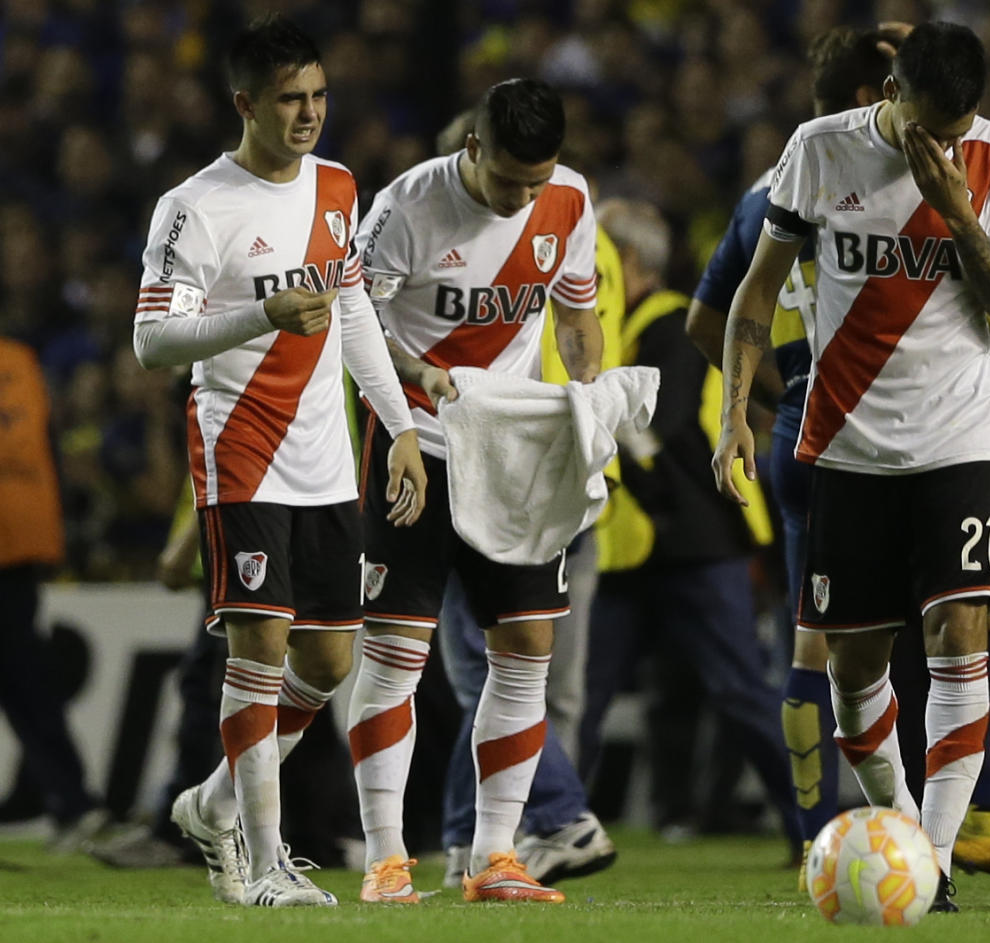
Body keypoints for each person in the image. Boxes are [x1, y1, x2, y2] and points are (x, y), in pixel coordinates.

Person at [689, 23, 990, 892]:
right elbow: (754, 290)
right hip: (847, 441)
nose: (944, 145)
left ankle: (931, 859)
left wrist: (958, 212)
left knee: (961, 633)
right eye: (929, 127)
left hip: (959, 434)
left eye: (958, 128)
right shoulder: (819, 150)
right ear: (889, 93)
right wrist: (733, 417)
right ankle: (900, 820)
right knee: (854, 668)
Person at [132, 14, 439, 907]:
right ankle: (266, 864)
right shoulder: (194, 206)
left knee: (331, 663)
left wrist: (401, 424)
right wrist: (260, 316)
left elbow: (349, 315)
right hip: (241, 448)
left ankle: (213, 802)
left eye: (319, 95)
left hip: (327, 459)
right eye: (290, 100)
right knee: (259, 649)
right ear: (246, 104)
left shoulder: (338, 187)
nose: (309, 114)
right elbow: (154, 341)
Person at [351, 77, 603, 904]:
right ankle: (387, 859)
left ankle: (494, 857)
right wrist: (410, 387)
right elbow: (357, 326)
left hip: (512, 450)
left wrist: (589, 394)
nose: (522, 198)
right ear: (471, 148)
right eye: (506, 181)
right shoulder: (405, 206)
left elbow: (575, 311)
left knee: (527, 648)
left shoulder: (567, 200)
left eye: (536, 180)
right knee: (397, 655)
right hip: (414, 443)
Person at [575, 197, 799, 857]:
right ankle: (545, 828)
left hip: (699, 537)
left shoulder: (672, 323)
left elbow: (658, 423)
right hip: (632, 544)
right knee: (582, 696)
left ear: (632, 262)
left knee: (738, 690)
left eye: (601, 256)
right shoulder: (619, 328)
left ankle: (810, 820)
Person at [0, 336, 109, 852]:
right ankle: (63, 799)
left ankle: (70, 800)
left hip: (12, 540)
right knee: (25, 680)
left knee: (25, 680)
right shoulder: (21, 360)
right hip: (26, 537)